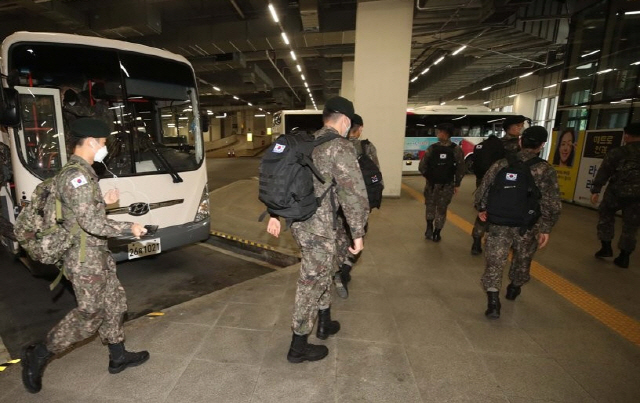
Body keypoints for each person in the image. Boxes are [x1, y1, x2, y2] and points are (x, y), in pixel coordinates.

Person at [21, 118, 150, 394]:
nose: (104, 148)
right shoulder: (77, 177)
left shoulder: (82, 173)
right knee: (90, 313)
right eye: (103, 143)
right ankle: (40, 354)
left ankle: (118, 357)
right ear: (91, 142)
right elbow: (92, 223)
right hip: (83, 258)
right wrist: (130, 228)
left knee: (115, 302)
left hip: (96, 252)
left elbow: (80, 213)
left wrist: (107, 202)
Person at [266, 97, 369, 363]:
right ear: (345, 120)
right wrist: (358, 234)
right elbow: (353, 193)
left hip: (300, 222)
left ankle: (324, 321)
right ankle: (298, 346)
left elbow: (283, 179)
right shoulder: (339, 147)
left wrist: (274, 213)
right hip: (319, 227)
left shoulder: (307, 142)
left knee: (322, 271)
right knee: (310, 282)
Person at [475, 126, 561, 319]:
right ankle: (514, 287)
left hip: (498, 223)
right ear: (541, 145)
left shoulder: (501, 164)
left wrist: (482, 209)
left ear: (521, 141)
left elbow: (484, 189)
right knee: (522, 259)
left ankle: (493, 303)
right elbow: (551, 202)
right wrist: (546, 227)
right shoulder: (545, 169)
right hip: (528, 225)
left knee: (495, 261)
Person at [333, 113, 380, 298]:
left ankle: (337, 271)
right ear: (359, 128)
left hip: (336, 204)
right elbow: (375, 176)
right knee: (357, 241)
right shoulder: (367, 147)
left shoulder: (336, 146)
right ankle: (344, 271)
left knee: (339, 240)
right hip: (359, 205)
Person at [470, 115, 528, 255]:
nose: (521, 128)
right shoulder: (518, 146)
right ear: (511, 127)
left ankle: (477, 239)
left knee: (484, 211)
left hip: (488, 181)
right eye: (519, 125)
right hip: (506, 183)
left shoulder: (495, 143)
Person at [590, 123, 640, 269]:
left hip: (616, 193)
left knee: (606, 216)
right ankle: (624, 257)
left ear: (627, 135)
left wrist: (596, 190)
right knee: (631, 227)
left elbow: (605, 171)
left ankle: (606, 247)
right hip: (637, 197)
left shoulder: (618, 152)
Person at [418, 122, 465, 242]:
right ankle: (437, 233)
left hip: (432, 184)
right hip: (447, 185)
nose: (438, 133)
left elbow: (422, 166)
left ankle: (429, 227)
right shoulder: (456, 149)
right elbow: (460, 168)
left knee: (430, 206)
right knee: (442, 209)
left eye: (440, 131)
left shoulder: (432, 148)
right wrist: (457, 183)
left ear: (445, 133)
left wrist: (429, 177)